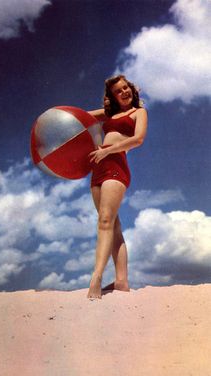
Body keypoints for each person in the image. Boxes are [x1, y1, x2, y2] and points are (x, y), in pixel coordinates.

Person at [87, 74, 148, 300]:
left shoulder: (138, 112)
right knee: (113, 226)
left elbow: (139, 139)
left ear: (131, 89)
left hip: (115, 164)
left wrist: (106, 150)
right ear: (112, 97)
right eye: (118, 91)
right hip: (98, 167)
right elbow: (82, 117)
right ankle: (121, 281)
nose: (124, 92)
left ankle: (96, 277)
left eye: (125, 88)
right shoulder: (110, 114)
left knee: (104, 222)